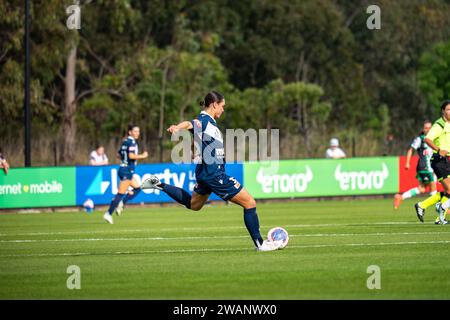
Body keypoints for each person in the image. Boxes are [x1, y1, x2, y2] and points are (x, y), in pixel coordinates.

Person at [141, 91, 281, 251]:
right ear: (214, 104)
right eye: (222, 106)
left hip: (205, 172)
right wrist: (177, 127)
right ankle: (260, 244)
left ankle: (158, 184)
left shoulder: (210, 123)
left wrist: (194, 149)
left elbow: (196, 135)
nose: (223, 109)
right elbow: (190, 124)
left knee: (194, 205)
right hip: (214, 174)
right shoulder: (204, 120)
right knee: (249, 203)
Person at [103, 124, 148, 224]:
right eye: (135, 131)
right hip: (127, 170)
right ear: (130, 132)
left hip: (124, 169)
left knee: (137, 188)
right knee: (120, 194)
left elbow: (118, 155)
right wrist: (143, 156)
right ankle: (108, 213)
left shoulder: (125, 142)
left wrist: (125, 159)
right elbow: (131, 155)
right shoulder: (131, 142)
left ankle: (122, 204)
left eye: (138, 131)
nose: (137, 133)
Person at [415, 100, 450, 224]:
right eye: (448, 110)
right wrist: (439, 149)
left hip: (447, 160)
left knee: (447, 192)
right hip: (440, 160)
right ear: (443, 111)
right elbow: (428, 139)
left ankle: (423, 206)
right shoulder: (439, 124)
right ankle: (441, 209)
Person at [394, 120, 437, 210]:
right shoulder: (420, 139)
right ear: (423, 129)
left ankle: (401, 197)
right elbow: (411, 150)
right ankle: (440, 208)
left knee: (422, 189)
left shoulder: (434, 138)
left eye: (430, 128)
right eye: (426, 128)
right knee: (433, 187)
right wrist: (407, 162)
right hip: (425, 166)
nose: (428, 130)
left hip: (430, 167)